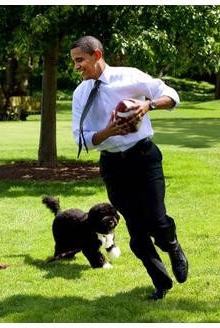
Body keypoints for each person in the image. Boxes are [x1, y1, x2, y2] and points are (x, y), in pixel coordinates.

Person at [70, 35, 188, 301]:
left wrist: (147, 105)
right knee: (136, 231)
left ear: (97, 56)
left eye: (80, 60)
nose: (77, 66)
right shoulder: (80, 94)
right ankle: (161, 283)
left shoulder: (129, 77)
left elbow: (172, 95)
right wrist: (108, 131)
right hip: (113, 166)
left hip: (144, 158)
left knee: (157, 220)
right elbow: (80, 138)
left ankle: (173, 245)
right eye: (74, 61)